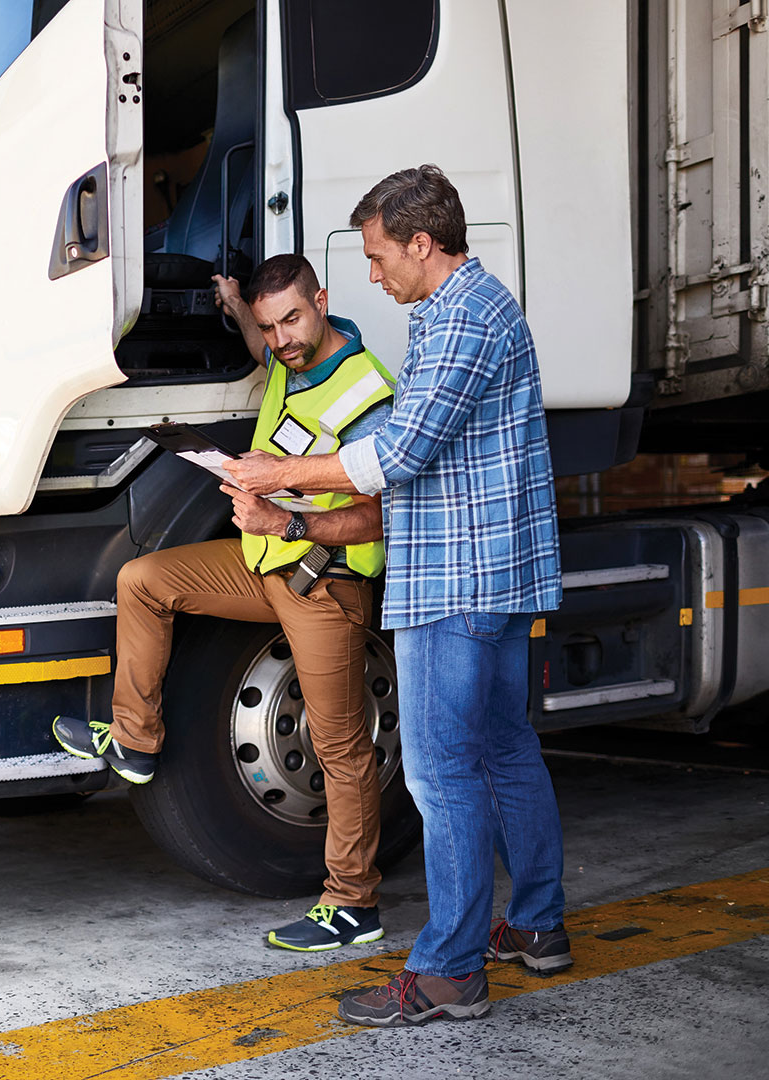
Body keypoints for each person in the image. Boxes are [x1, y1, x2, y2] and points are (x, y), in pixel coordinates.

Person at [222, 165, 569, 1026]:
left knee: (443, 774)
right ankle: (535, 926)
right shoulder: (476, 311)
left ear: (423, 243)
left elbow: (395, 456)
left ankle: (449, 972)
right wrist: (294, 513)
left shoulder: (459, 319)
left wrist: (280, 473)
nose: (373, 278)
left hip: (456, 580)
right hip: (488, 573)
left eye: (380, 258)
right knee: (504, 748)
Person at [53, 254, 399, 951]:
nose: (281, 341)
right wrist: (238, 305)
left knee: (340, 749)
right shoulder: (285, 358)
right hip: (266, 565)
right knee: (143, 581)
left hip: (323, 584)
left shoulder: (366, 394)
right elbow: (258, 342)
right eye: (271, 328)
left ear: (323, 302)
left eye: (292, 321)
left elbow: (380, 518)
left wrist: (289, 521)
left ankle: (353, 903)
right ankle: (136, 742)